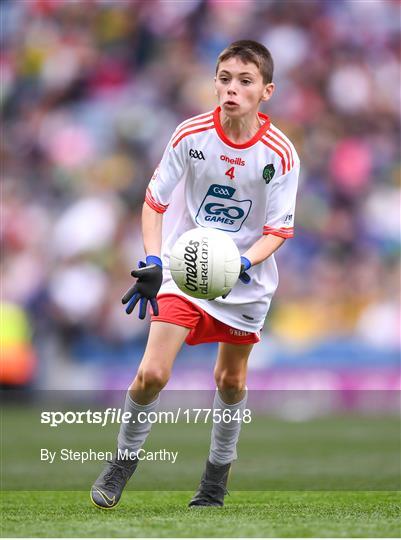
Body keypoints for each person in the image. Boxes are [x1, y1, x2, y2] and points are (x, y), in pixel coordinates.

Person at [91, 39, 300, 509]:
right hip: (186, 269)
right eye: (224, 79)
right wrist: (152, 260)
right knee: (152, 373)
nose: (232, 89)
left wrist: (242, 264)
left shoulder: (280, 154)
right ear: (215, 83)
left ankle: (214, 482)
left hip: (245, 281)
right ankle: (122, 462)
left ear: (266, 91)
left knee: (230, 382)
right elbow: (155, 202)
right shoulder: (190, 135)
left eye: (245, 81)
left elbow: (278, 230)